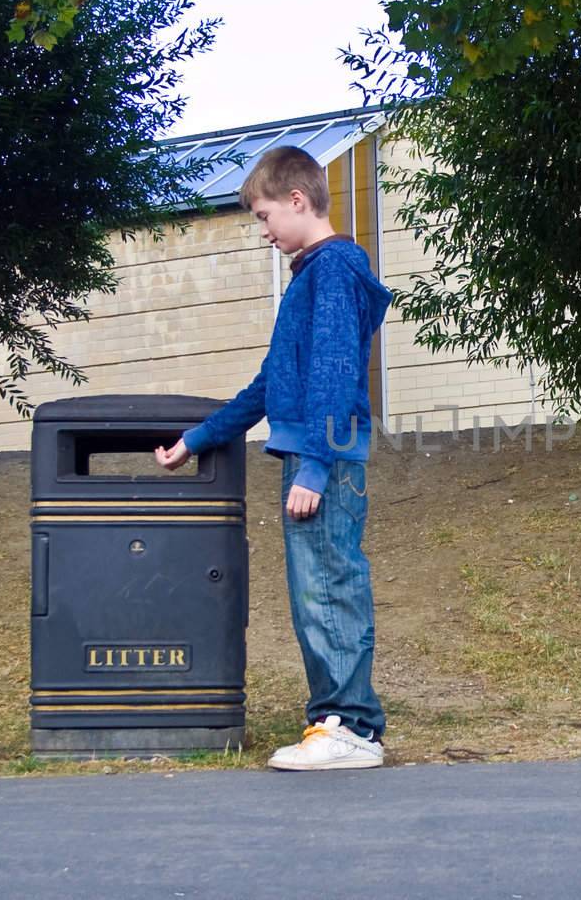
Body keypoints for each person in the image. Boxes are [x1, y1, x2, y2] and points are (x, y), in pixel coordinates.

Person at [154, 145, 391, 771]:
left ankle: (349, 728)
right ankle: (336, 720)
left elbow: (339, 374)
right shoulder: (316, 274)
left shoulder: (336, 267)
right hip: (313, 453)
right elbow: (270, 384)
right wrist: (198, 438)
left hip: (326, 459)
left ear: (297, 200)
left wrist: (315, 465)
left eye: (264, 217)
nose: (264, 233)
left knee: (328, 587)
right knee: (314, 587)